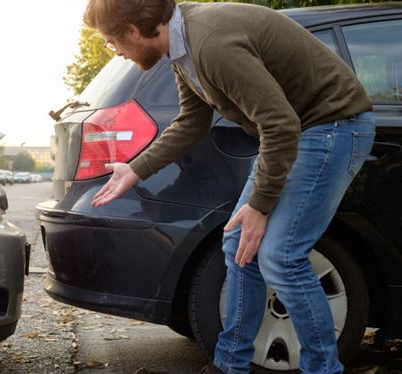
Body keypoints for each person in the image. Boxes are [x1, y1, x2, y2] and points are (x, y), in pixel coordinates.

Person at [84, 1, 375, 373]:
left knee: (281, 258)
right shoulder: (181, 47)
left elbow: (280, 124)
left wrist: (260, 205)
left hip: (332, 126)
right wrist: (136, 169)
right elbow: (192, 121)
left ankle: (323, 368)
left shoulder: (210, 42)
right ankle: (229, 365)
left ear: (133, 30)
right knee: (239, 244)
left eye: (112, 41)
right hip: (297, 133)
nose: (118, 52)